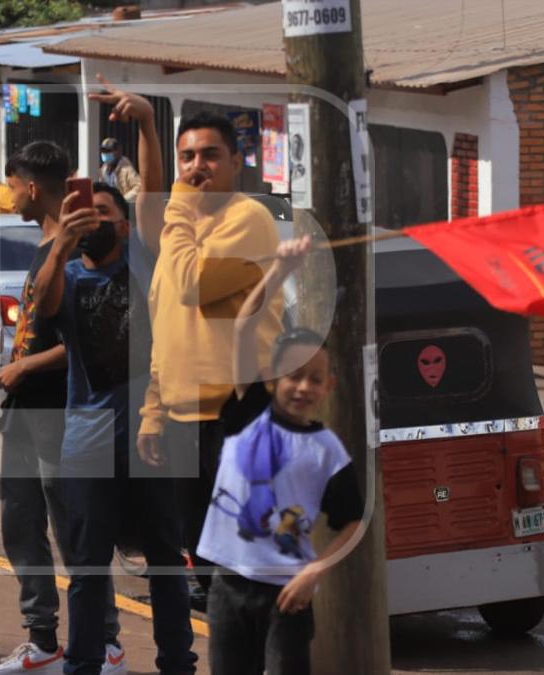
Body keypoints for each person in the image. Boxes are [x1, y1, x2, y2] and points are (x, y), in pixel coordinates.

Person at [34, 178, 196, 675]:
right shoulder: (66, 278)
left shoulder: (144, 266)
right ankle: (82, 665)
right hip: (88, 443)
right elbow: (42, 305)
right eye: (83, 211)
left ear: (124, 227)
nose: (92, 219)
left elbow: (150, 191)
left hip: (155, 439)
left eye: (103, 212)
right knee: (86, 566)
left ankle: (177, 664)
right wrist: (60, 245)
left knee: (166, 561)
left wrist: (146, 123)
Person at [0, 142, 122, 675]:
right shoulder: (47, 243)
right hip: (24, 409)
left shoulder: (78, 243)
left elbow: (88, 336)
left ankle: (105, 642)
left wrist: (26, 367)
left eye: (12, 185)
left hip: (60, 408)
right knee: (20, 524)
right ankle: (42, 641)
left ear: (33, 187)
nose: (7, 195)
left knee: (73, 530)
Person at [136, 111, 284, 608]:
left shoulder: (247, 219)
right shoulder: (181, 231)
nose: (198, 166)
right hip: (184, 415)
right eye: (187, 157)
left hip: (238, 412)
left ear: (236, 163)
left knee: (247, 562)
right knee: (206, 558)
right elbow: (165, 330)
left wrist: (178, 203)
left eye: (210, 155)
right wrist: (153, 413)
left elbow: (193, 287)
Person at [199, 236, 364, 675]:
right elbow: (243, 326)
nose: (303, 386)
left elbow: (354, 520)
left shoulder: (328, 451)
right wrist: (281, 272)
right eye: (293, 374)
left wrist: (315, 573)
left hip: (287, 593)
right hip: (227, 587)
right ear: (273, 379)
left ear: (329, 386)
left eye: (315, 378)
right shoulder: (246, 412)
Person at [97, 138, 140, 204]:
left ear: (118, 152)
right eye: (103, 151)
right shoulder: (103, 170)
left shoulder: (127, 170)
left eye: (109, 151)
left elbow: (139, 188)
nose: (105, 154)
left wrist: (123, 200)